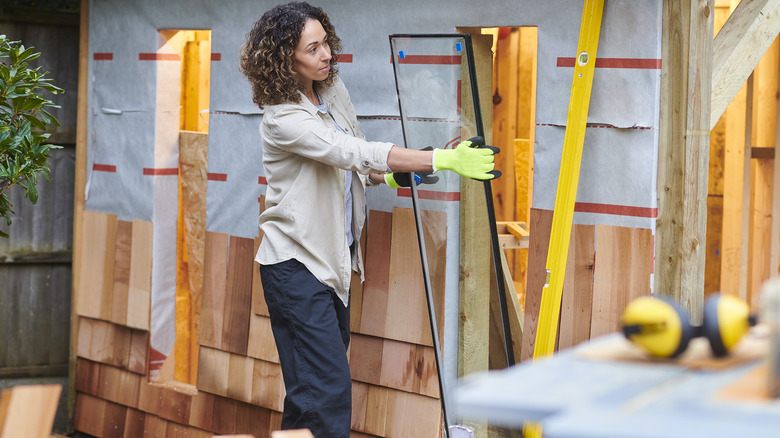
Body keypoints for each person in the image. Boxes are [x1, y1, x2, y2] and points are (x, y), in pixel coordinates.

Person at [239, 2, 499, 437]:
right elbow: (350, 152)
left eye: (326, 43)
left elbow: (357, 160)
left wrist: (398, 176)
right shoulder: (281, 119)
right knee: (326, 395)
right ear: (286, 58)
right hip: (295, 267)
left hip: (331, 266)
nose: (326, 55)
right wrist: (444, 158)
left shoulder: (332, 88)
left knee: (311, 397)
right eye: (313, 48)